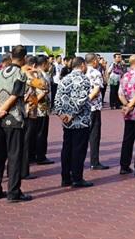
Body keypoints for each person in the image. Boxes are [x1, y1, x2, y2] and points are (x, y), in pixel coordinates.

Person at [0, 45, 31, 202]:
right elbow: (14, 96)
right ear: (24, 58)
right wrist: (2, 111)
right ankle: (13, 192)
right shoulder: (20, 74)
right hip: (14, 119)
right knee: (14, 157)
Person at [54, 56, 93, 188]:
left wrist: (61, 114)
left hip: (66, 120)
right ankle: (77, 177)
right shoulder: (84, 79)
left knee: (67, 148)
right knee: (78, 149)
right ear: (82, 65)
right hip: (80, 120)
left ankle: (65, 177)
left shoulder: (64, 79)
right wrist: (72, 114)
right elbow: (81, 100)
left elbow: (57, 98)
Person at [86, 53, 109, 171]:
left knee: (81, 135)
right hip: (93, 107)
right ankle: (94, 161)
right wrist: (87, 100)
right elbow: (96, 89)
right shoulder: (95, 73)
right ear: (94, 61)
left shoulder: (82, 71)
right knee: (94, 135)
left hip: (83, 109)